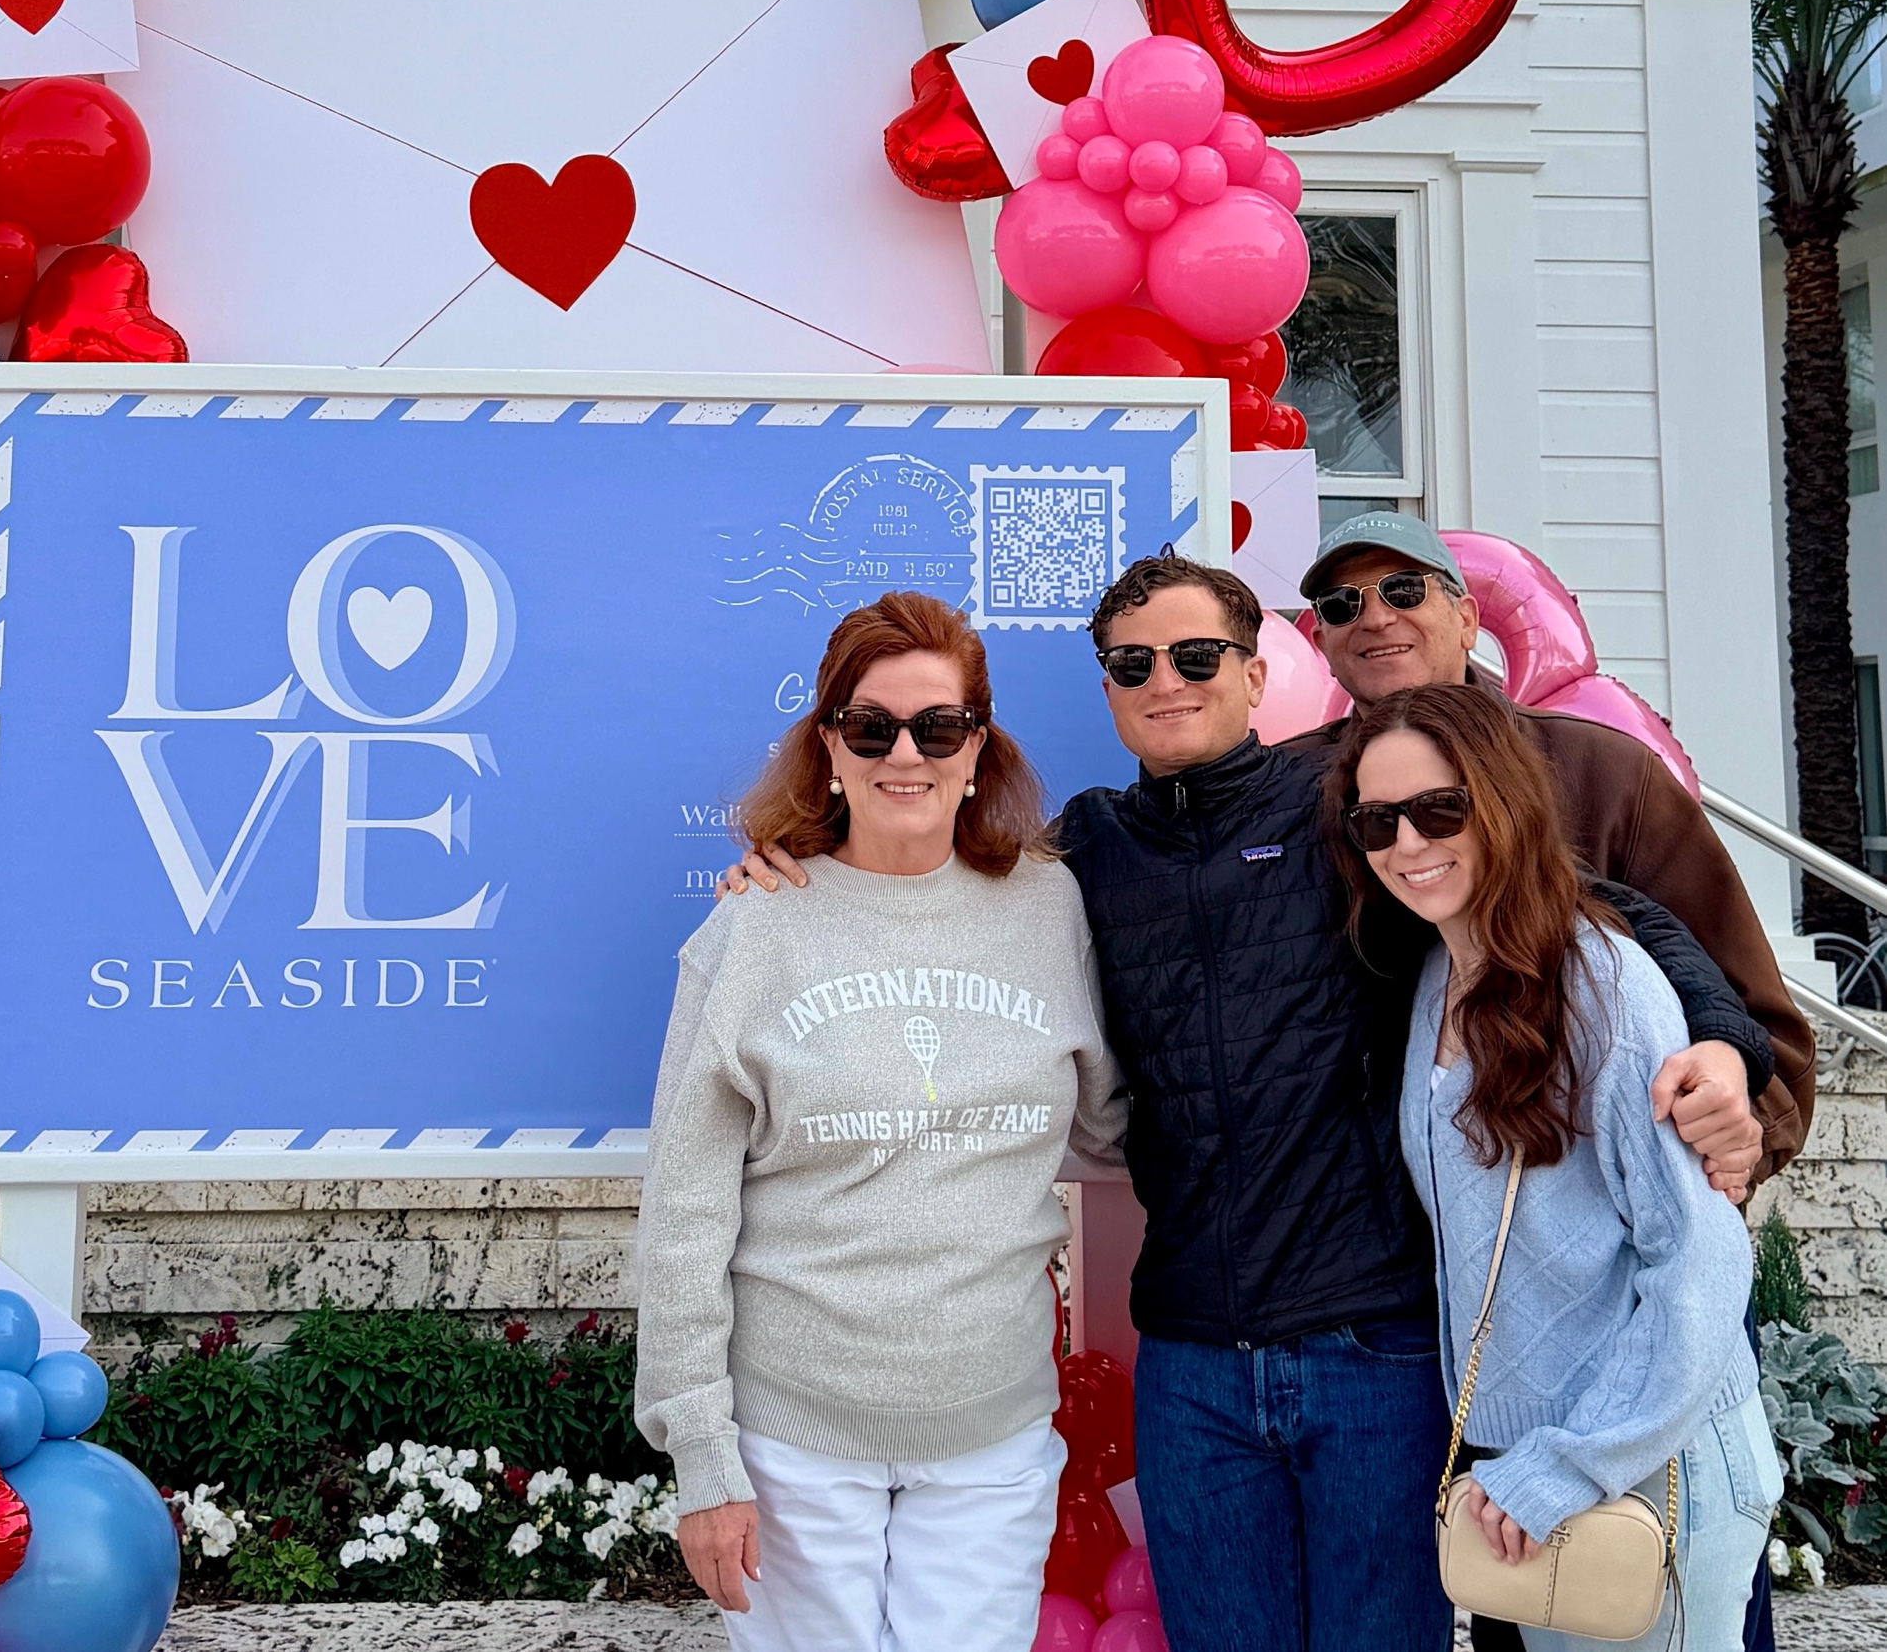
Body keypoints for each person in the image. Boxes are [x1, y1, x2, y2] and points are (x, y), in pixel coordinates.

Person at [722, 554, 1772, 1652]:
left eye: (1194, 655)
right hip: (1190, 1363)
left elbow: (1571, 902)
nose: (1164, 679)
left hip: (1372, 1351)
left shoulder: (1349, 810)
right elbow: (923, 875)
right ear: (1106, 687)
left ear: (1254, 670)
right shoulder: (1078, 853)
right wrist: (792, 860)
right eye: (1132, 663)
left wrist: (1720, 1040)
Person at [1301, 510, 1810, 1652]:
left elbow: (1695, 1251)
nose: (1406, 839)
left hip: (1636, 1462)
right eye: (1375, 819)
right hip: (1521, 1471)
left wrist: (1729, 1074)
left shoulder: (1598, 969)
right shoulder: (1433, 966)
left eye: (1440, 810)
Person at [635, 589, 1124, 1650]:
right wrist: (701, 1456)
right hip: (791, 1437)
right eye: (871, 725)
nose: (906, 751)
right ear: (828, 747)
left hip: (989, 1430)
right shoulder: (751, 929)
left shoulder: (1049, 908)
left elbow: (1116, 1124)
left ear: (976, 747)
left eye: (937, 726)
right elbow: (681, 1213)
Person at [1300, 509, 1812, 1181]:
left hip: (1573, 1220)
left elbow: (1756, 1022)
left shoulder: (1606, 773)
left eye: (1404, 589)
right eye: (1343, 604)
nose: (1374, 618)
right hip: (1358, 1241)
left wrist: (1735, 1115)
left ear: (1467, 619)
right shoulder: (1289, 796)